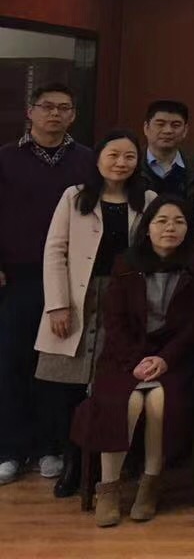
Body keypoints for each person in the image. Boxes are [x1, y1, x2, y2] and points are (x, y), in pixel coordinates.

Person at [71, 198, 194, 527]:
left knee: (159, 400)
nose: (170, 228)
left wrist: (164, 359)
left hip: (175, 357)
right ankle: (108, 487)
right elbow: (115, 322)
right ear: (147, 227)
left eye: (178, 221)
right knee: (128, 400)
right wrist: (136, 360)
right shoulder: (126, 264)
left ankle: (151, 482)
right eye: (161, 221)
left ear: (188, 228)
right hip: (125, 356)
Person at [35, 131, 148, 499]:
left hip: (123, 300)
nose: (121, 163)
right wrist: (57, 304)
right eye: (113, 155)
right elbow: (55, 251)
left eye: (129, 156)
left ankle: (102, 464)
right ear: (98, 158)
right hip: (79, 297)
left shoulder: (147, 199)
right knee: (68, 385)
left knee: (109, 382)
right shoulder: (75, 196)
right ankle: (72, 461)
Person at [0, 84, 91, 486]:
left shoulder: (87, 160)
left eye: (63, 108)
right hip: (17, 276)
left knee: (55, 367)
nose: (55, 114)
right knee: (11, 363)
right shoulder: (6, 158)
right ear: (30, 111)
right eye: (47, 107)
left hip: (70, 280)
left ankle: (50, 447)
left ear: (73, 115)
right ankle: (10, 449)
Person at [136, 100, 194, 211]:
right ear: (146, 128)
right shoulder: (131, 167)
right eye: (160, 124)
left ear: (185, 130)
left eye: (175, 125)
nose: (168, 131)